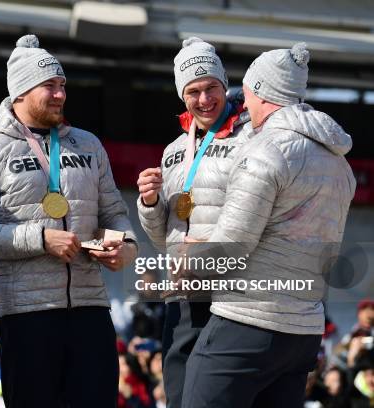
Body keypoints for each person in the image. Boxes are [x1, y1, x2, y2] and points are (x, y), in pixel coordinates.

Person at [0, 34, 138, 407]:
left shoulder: (88, 144)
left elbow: (114, 212)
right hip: (25, 314)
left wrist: (125, 246)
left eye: (62, 85)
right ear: (19, 92)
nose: (60, 95)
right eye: (49, 86)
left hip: (91, 309)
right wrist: (40, 238)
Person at [180, 43, 356, 408]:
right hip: (304, 330)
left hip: (248, 322)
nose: (243, 104)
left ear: (261, 92)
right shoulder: (339, 163)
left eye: (246, 94)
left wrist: (191, 260)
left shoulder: (266, 150)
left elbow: (232, 246)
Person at [136, 37, 252, 408]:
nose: (204, 100)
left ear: (224, 85)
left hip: (233, 290)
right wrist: (149, 202)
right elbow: (161, 238)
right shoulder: (173, 152)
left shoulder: (251, 136)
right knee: (179, 394)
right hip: (183, 292)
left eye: (211, 88)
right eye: (193, 91)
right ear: (181, 96)